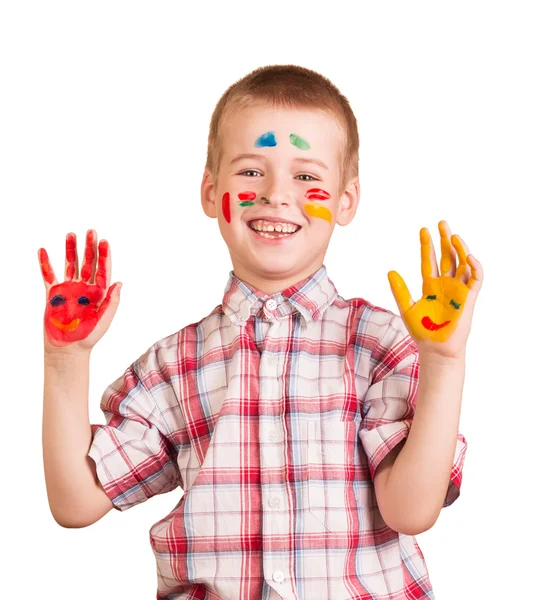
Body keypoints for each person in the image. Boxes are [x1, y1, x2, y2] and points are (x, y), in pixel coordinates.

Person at [40, 64, 483, 599]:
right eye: (251, 171)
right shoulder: (173, 365)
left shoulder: (380, 345)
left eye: (306, 176)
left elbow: (411, 511)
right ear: (210, 191)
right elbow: (75, 503)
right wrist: (65, 362)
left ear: (346, 200)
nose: (276, 194)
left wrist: (443, 362)